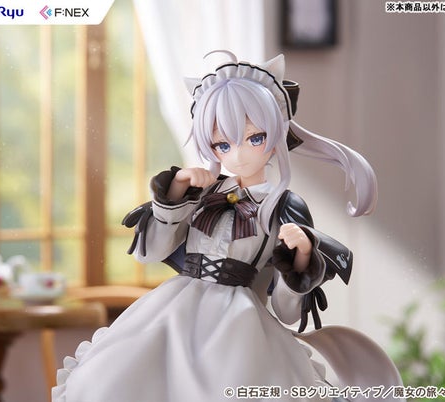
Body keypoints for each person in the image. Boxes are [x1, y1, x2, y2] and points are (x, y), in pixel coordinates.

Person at [53, 51, 403, 402]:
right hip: (175, 308)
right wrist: (176, 193)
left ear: (277, 135)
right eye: (222, 144)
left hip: (238, 322)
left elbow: (287, 310)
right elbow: (152, 252)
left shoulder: (283, 207)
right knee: (120, 378)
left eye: (255, 138)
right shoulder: (201, 191)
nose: (238, 154)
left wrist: (301, 256)